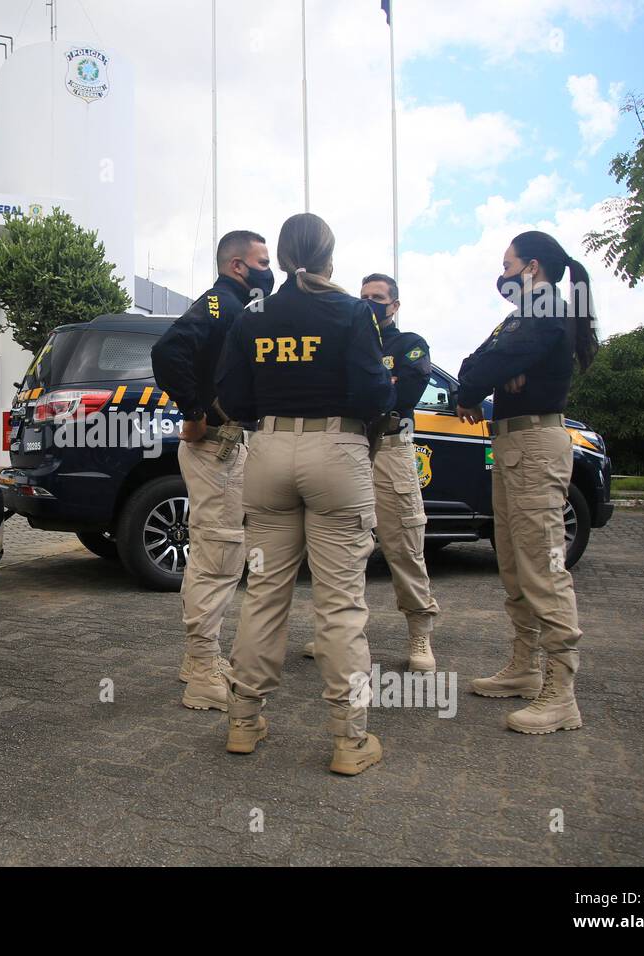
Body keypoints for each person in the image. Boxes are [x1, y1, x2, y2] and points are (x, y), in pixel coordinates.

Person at [216, 213, 394, 775]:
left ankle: (243, 721)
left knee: (265, 592)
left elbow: (229, 394)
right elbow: (374, 392)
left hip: (267, 453)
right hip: (335, 453)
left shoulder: (253, 314)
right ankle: (349, 738)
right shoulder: (349, 311)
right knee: (340, 601)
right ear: (328, 257)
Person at [456, 230, 599, 734]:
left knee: (543, 568)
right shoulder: (522, 315)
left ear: (531, 266)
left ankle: (561, 695)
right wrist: (489, 376)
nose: (503, 273)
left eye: (507, 263)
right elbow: (475, 363)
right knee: (515, 563)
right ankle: (524, 668)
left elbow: (485, 368)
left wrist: (489, 376)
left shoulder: (546, 311)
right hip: (512, 443)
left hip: (537, 445)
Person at [151, 229, 273, 711]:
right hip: (216, 447)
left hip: (229, 446)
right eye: (262, 260)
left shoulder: (239, 306)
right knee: (218, 555)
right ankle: (203, 669)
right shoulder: (222, 301)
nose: (270, 268)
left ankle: (199, 657)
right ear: (238, 265)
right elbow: (168, 351)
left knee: (218, 552)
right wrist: (195, 410)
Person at [306, 273, 440, 670]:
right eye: (363, 296)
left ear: (394, 305)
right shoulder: (347, 341)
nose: (369, 303)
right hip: (348, 447)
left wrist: (372, 387)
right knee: (341, 548)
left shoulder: (410, 345)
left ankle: (419, 636)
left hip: (391, 449)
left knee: (404, 545)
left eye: (378, 297)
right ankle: (335, 633)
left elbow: (403, 394)